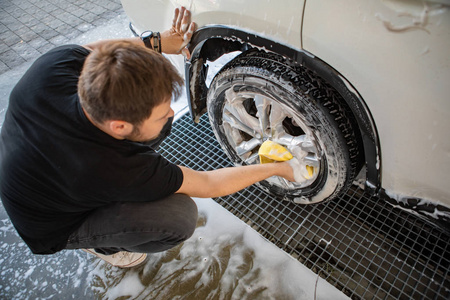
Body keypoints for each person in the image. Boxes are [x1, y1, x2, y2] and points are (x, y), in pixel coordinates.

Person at [0, 7, 297, 268]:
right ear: (119, 127)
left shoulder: (54, 65)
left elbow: (98, 52)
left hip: (33, 162)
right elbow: (208, 184)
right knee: (178, 218)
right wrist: (277, 167)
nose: (171, 113)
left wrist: (156, 42)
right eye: (160, 113)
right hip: (50, 224)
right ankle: (104, 245)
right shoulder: (112, 169)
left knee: (158, 129)